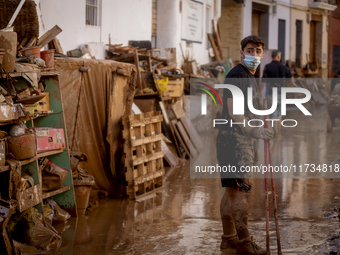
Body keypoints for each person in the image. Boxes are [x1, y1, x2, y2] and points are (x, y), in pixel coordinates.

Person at [216, 35, 273, 255]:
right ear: (242, 53)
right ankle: (245, 244)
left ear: (263, 54)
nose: (255, 55)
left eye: (259, 51)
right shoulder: (238, 75)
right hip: (236, 143)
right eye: (250, 50)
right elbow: (235, 112)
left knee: (230, 191)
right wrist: (255, 131)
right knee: (241, 192)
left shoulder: (249, 75)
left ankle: (228, 239)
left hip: (232, 141)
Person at [261, 50, 292, 135]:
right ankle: (278, 133)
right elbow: (290, 79)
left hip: (271, 93)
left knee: (273, 114)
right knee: (280, 114)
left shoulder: (267, 67)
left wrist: (259, 92)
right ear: (279, 57)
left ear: (272, 57)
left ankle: (275, 133)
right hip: (281, 93)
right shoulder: (284, 67)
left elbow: (263, 82)